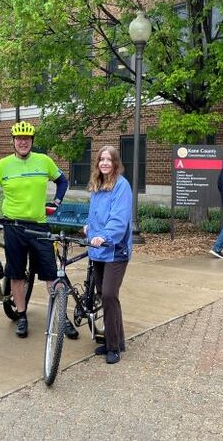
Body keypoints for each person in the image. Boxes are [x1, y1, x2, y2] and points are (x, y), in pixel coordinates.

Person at [0, 121, 79, 340]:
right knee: (16, 274)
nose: (23, 142)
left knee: (51, 275)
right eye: (19, 138)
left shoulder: (44, 161)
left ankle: (61, 317)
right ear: (13, 141)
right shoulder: (4, 165)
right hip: (13, 226)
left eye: (27, 138)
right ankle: (22, 315)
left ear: (32, 141)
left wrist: (57, 202)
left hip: (39, 225)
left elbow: (62, 181)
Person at [84, 146, 132, 364]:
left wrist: (104, 236)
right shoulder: (97, 184)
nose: (104, 163)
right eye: (101, 159)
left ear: (115, 163)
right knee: (105, 293)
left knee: (109, 295)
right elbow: (95, 215)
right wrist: (88, 228)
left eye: (109, 160)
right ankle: (117, 339)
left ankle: (113, 347)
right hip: (97, 249)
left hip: (115, 249)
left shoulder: (121, 186)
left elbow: (118, 220)